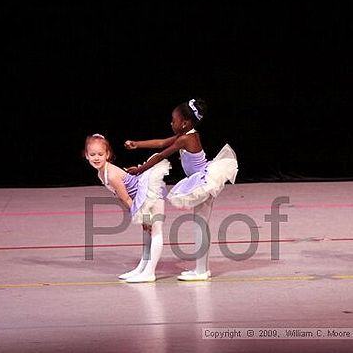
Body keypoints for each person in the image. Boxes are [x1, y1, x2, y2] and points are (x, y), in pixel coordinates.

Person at [124, 98, 238, 281]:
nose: (171, 123)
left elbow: (162, 155)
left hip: (203, 182)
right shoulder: (188, 134)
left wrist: (139, 169)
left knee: (201, 226)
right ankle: (202, 269)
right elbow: (161, 143)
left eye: (174, 120)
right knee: (200, 224)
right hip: (201, 180)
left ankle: (201, 271)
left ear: (184, 123)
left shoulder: (186, 138)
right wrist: (138, 144)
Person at [83, 133, 171, 283]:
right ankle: (142, 267)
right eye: (92, 154)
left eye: (100, 154)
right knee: (147, 235)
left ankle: (150, 272)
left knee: (155, 232)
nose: (96, 157)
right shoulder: (101, 173)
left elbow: (126, 198)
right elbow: (122, 197)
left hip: (150, 195)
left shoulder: (111, 175)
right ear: (86, 155)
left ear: (108, 154)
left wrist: (143, 217)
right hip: (140, 200)